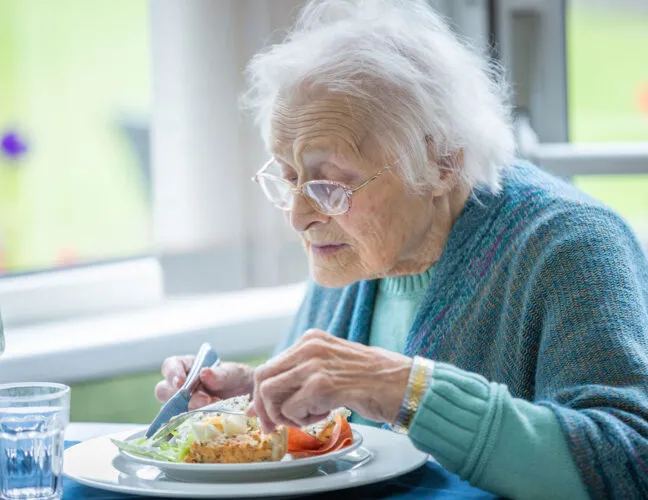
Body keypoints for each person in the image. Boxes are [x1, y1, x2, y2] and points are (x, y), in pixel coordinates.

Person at [155, 1, 648, 498]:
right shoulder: (356, 246)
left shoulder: (571, 246)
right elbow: (340, 411)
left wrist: (403, 390)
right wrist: (258, 393)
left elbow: (629, 463)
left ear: (442, 164)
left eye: (330, 185)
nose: (299, 216)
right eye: (288, 177)